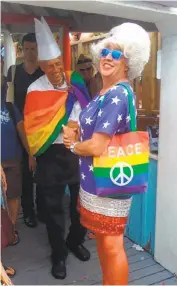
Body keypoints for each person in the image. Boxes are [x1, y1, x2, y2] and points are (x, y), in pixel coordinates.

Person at [63, 23, 150, 285]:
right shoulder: (104, 93)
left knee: (111, 246)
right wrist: (78, 134)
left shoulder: (118, 94)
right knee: (104, 243)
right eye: (104, 52)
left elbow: (98, 146)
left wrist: (71, 145)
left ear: (128, 63)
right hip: (99, 181)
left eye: (116, 54)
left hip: (109, 181)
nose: (107, 58)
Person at [24, 17, 90, 280]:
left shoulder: (76, 82)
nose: (55, 70)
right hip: (50, 155)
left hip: (77, 150)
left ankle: (75, 241)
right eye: (49, 66)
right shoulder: (34, 90)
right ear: (41, 66)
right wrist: (35, 151)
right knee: (53, 211)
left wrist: (76, 124)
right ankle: (59, 254)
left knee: (81, 205)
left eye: (58, 64)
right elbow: (33, 127)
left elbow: (87, 111)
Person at [7, 33, 44, 228]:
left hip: (42, 130)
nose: (30, 53)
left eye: (33, 48)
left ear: (39, 49)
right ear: (22, 49)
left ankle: (43, 208)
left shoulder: (45, 72)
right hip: (19, 130)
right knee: (26, 174)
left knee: (44, 171)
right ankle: (28, 212)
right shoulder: (13, 72)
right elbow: (8, 101)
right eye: (27, 48)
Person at [1, 57, 36, 242]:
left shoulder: (7, 96)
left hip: (12, 157)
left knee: (14, 195)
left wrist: (30, 153)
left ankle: (11, 230)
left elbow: (20, 125)